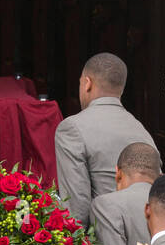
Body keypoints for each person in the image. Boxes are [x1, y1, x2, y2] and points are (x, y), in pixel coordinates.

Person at [54, 53, 156, 232]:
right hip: (148, 243)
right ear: (121, 90)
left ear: (87, 83)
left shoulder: (71, 128)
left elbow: (75, 213)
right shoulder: (141, 130)